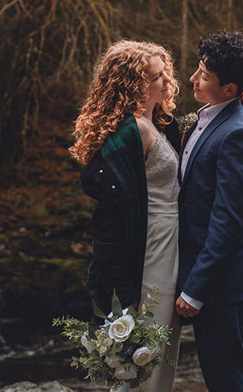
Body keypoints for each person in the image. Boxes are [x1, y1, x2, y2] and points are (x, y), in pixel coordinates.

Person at [69, 40, 182, 392]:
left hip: (170, 241)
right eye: (156, 76)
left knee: (165, 348)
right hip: (149, 248)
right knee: (146, 349)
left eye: (166, 73)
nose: (168, 82)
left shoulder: (157, 122)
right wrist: (125, 287)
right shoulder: (126, 132)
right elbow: (112, 217)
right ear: (133, 84)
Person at [175, 31, 243, 392]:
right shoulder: (212, 116)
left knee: (226, 378)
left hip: (223, 278)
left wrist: (196, 289)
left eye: (203, 75)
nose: (192, 79)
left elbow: (230, 221)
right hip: (205, 266)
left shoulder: (240, 134)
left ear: (230, 88)